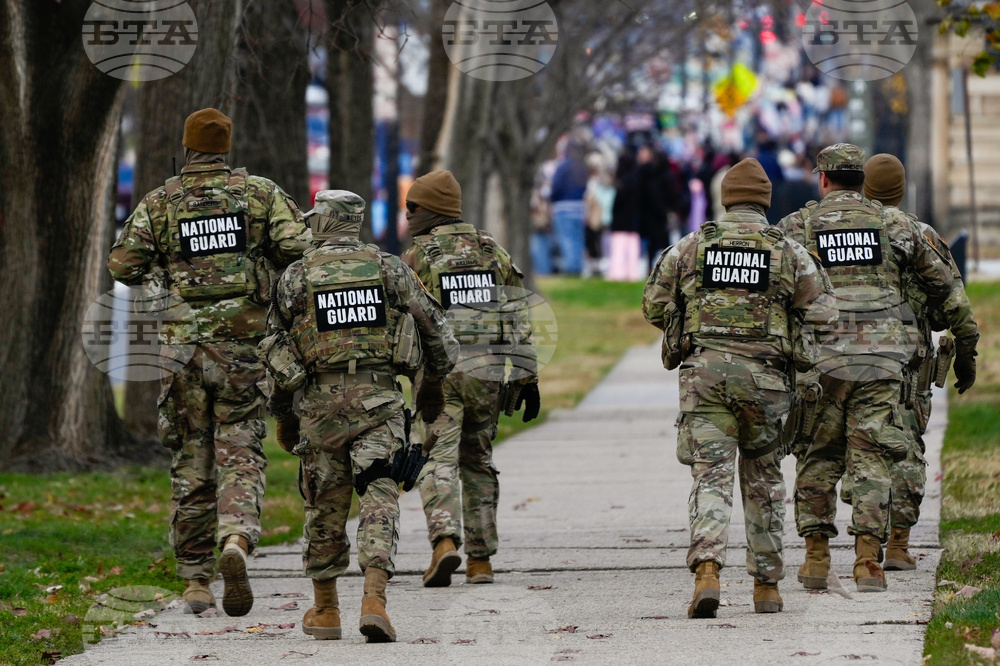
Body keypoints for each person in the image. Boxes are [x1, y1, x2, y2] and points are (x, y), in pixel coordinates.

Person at [107, 108, 311, 616]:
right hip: (243, 349)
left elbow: (121, 264)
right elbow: (297, 246)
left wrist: (166, 274)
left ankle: (196, 579)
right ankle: (236, 540)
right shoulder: (259, 193)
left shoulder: (161, 201)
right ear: (226, 150)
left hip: (181, 352)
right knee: (240, 450)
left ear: (186, 149)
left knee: (190, 459)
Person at [261, 190, 459, 642]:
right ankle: (374, 600)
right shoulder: (390, 268)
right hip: (379, 402)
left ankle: (326, 609)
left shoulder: (295, 277)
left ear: (324, 222)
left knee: (325, 504)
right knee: (378, 496)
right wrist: (432, 389)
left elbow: (274, 350)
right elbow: (437, 333)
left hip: (318, 406)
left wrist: (283, 415)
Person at [643, 158, 838, 618]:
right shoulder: (788, 251)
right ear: (765, 203)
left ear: (726, 199)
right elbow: (826, 313)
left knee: (710, 477)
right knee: (764, 479)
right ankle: (766, 586)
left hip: (704, 381)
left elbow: (654, 304)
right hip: (767, 384)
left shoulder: (691, 247)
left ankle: (707, 570)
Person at [778, 144, 955, 593]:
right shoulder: (896, 225)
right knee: (872, 455)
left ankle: (816, 557)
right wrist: (965, 347)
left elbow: (773, 291)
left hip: (822, 362)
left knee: (818, 454)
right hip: (880, 360)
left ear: (822, 179)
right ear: (862, 181)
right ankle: (867, 562)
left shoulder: (797, 226)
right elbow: (948, 289)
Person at [400, 170, 540, 588]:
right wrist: (527, 375)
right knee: (478, 460)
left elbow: (402, 321)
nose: (407, 216)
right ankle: (480, 561)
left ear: (432, 211)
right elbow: (518, 313)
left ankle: (444, 541)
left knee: (437, 458)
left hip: (439, 377)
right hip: (487, 373)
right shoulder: (491, 251)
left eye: (413, 207)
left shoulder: (416, 258)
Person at [860, 154, 978, 569]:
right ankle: (897, 544)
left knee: (861, 451)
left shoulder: (846, 232)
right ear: (902, 188)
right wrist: (966, 354)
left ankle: (864, 546)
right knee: (906, 448)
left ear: (864, 187)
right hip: (908, 362)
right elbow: (955, 305)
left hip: (848, 358)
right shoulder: (919, 234)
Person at [549, 142, 590, 275]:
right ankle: (577, 266)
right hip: (579, 208)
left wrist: (551, 198)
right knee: (578, 238)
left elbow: (556, 188)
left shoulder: (563, 167)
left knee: (566, 238)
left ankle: (571, 268)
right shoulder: (582, 167)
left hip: (563, 208)